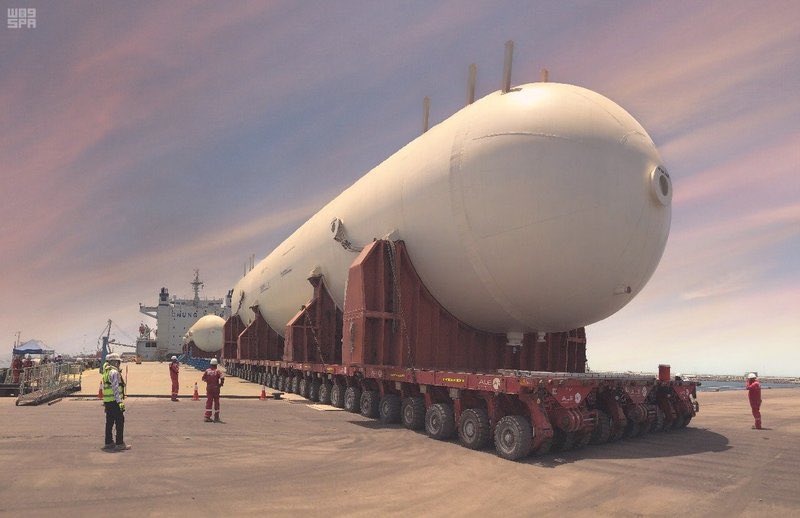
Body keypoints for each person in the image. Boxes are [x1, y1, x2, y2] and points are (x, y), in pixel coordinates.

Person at [102, 353, 130, 451]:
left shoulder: (106, 372)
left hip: (108, 401)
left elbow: (104, 388)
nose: (119, 364)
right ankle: (119, 443)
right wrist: (119, 402)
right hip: (115, 401)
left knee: (109, 422)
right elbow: (115, 388)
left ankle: (108, 442)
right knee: (119, 421)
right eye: (118, 362)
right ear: (114, 362)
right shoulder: (114, 372)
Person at [202, 358, 224, 422]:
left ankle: (207, 416)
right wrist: (220, 384)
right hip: (216, 388)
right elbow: (222, 378)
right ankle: (216, 417)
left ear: (210, 364)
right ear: (216, 365)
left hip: (209, 388)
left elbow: (203, 378)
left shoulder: (207, 371)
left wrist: (208, 381)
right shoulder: (218, 371)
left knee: (209, 402)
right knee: (216, 402)